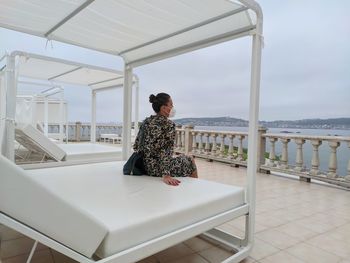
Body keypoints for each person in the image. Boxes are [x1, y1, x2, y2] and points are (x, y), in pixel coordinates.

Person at [133, 93, 198, 186]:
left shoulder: (146, 122)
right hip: (157, 169)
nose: (173, 107)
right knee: (190, 159)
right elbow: (166, 151)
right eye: (171, 104)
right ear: (163, 108)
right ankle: (195, 188)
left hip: (144, 166)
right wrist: (166, 175)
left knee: (181, 159)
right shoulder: (168, 125)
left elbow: (136, 145)